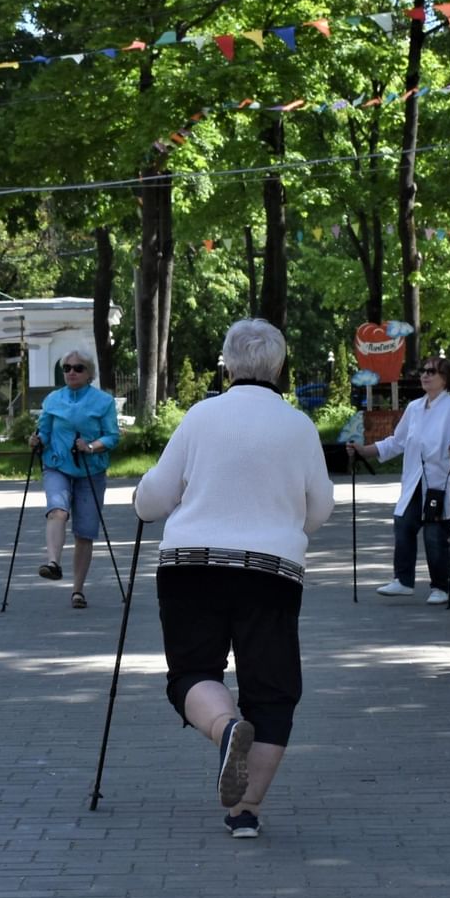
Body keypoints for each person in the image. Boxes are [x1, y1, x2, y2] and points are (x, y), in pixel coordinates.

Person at [134, 319, 334, 840]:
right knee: (272, 692)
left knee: (192, 672)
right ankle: (244, 812)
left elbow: (153, 500)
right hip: (271, 570)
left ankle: (225, 732)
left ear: (226, 364)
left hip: (190, 564)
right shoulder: (299, 427)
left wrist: (143, 496)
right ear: (281, 366)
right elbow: (320, 510)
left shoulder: (200, 416)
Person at [349, 355, 450, 605]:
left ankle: (441, 587)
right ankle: (403, 581)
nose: (425, 375)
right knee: (403, 523)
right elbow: (397, 441)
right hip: (416, 481)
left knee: (435, 534)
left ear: (445, 379)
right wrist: (365, 450)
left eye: (432, 372)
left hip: (441, 484)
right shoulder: (415, 408)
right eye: (423, 371)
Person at [29, 349, 119, 610]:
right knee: (57, 511)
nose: (71, 372)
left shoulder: (103, 401)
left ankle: (77, 591)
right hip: (57, 466)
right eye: (67, 367)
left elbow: (113, 436)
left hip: (90, 471)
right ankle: (53, 563)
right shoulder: (53, 400)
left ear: (89, 373)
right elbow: (43, 432)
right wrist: (36, 441)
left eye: (78, 368)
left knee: (85, 532)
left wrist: (91, 446)